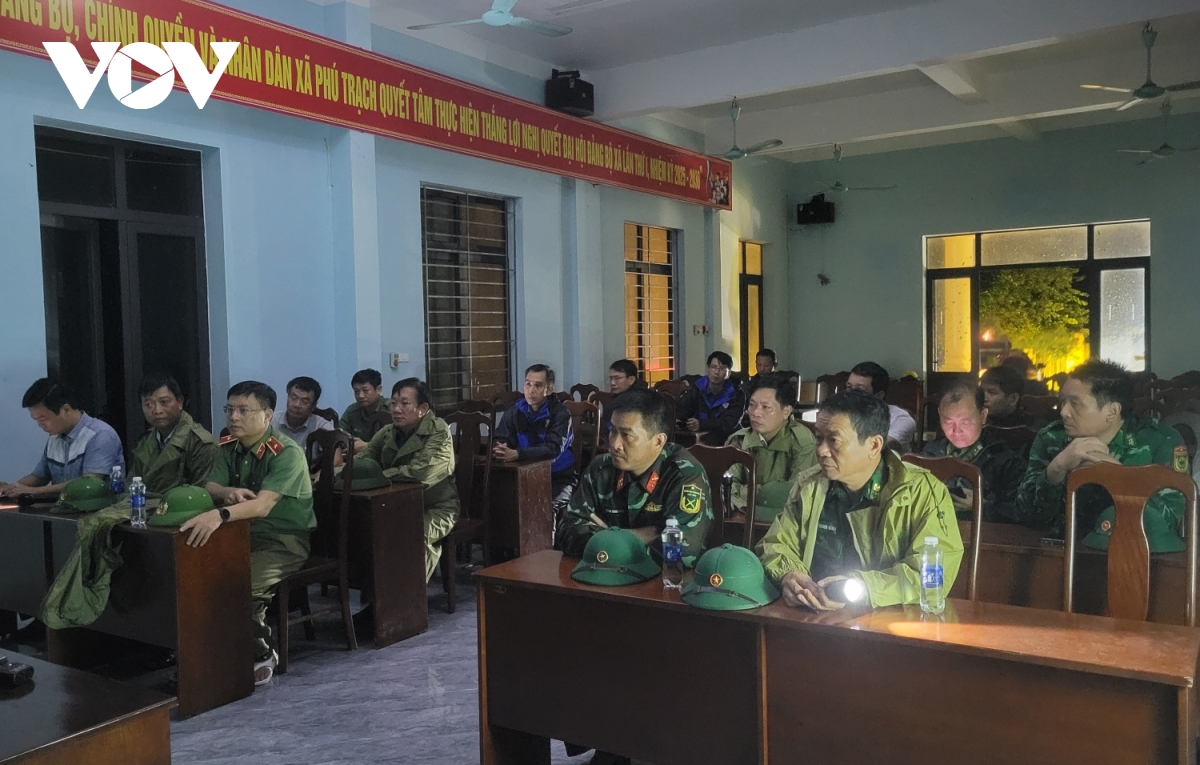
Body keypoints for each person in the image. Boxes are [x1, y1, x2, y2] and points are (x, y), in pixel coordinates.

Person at [757, 390, 961, 610]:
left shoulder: (921, 492)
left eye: (834, 440)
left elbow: (930, 575)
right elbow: (776, 544)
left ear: (874, 445)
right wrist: (790, 576)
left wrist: (861, 588)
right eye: (818, 438)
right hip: (813, 613)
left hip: (886, 617)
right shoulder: (810, 485)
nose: (822, 451)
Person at [180, 381, 315, 686]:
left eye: (243, 410)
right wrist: (227, 492)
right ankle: (205, 652)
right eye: (230, 409)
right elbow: (210, 485)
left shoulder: (286, 453)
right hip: (238, 535)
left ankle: (261, 652)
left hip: (283, 540)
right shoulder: (230, 445)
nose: (234, 417)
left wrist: (220, 514)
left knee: (242, 585)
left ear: (267, 415)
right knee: (191, 573)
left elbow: (264, 506)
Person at [1015, 360, 1188, 550]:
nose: (1063, 412)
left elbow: (1168, 521)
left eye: (1075, 404)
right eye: (1062, 401)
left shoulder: (1161, 440)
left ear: (1112, 411)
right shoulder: (1051, 438)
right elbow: (1026, 517)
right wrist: (1056, 469)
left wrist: (1118, 475)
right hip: (1066, 550)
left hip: (1133, 552)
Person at [557, 389, 713, 566]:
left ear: (658, 441)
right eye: (612, 431)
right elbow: (566, 533)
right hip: (600, 574)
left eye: (627, 435)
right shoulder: (601, 468)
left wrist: (603, 543)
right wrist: (640, 535)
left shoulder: (684, 475)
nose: (615, 444)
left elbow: (682, 553)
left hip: (658, 581)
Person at [365, 378, 459, 582]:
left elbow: (421, 473)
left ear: (423, 408)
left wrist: (378, 476)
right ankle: (379, 591)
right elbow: (364, 460)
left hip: (435, 507)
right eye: (393, 403)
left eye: (404, 403)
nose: (396, 409)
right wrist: (336, 473)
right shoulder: (388, 432)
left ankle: (409, 595)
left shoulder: (439, 430)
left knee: (413, 532)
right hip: (395, 505)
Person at [920, 380, 1024, 523]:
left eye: (965, 422)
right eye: (948, 421)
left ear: (983, 415)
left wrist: (983, 506)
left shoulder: (1005, 460)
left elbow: (1020, 513)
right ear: (939, 414)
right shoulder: (929, 455)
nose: (956, 431)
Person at [0, 379, 123, 498]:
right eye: (36, 420)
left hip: (99, 509)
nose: (40, 425)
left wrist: (33, 491)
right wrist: (11, 488)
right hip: (63, 507)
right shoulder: (55, 437)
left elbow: (89, 483)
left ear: (66, 410)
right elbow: (39, 477)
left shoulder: (100, 435)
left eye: (43, 419)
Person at [724, 374, 816, 521]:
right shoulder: (739, 440)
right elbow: (726, 487)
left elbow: (796, 494)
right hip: (743, 518)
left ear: (786, 412)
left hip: (785, 521)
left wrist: (747, 498)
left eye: (766, 407)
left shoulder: (802, 442)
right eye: (752, 405)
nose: (755, 413)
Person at [494, 364, 577, 515]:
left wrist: (518, 454)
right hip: (524, 476)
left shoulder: (560, 413)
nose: (531, 390)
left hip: (558, 477)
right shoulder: (514, 412)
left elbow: (553, 449)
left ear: (549, 389)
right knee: (503, 505)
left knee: (546, 511)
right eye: (528, 384)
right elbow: (500, 439)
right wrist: (500, 450)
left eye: (538, 385)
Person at [128, 373, 217, 495]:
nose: (157, 410)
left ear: (179, 402)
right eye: (148, 404)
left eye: (164, 402)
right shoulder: (146, 440)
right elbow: (131, 486)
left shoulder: (201, 443)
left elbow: (201, 496)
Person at [675, 351, 746, 444]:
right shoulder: (698, 388)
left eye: (722, 368)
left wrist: (702, 424)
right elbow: (683, 408)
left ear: (728, 373)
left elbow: (729, 423)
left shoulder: (737, 394)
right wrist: (679, 420)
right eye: (713, 367)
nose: (716, 372)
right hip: (702, 438)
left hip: (730, 439)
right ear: (708, 369)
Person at [846, 361, 917, 453]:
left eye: (859, 390)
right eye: (849, 387)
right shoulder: (839, 414)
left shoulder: (900, 419)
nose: (851, 394)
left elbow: (881, 448)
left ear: (879, 395)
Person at [271, 376, 335, 461]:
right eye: (293, 398)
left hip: (309, 469)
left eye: (305, 402)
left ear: (314, 406)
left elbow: (337, 460)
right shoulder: (270, 421)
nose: (297, 405)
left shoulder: (322, 427)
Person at [980, 365, 1046, 430]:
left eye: (992, 392)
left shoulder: (1035, 427)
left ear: (1013, 399)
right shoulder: (978, 423)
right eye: (981, 392)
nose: (984, 398)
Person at [339, 369, 387, 454]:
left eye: (365, 390)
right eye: (356, 391)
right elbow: (340, 434)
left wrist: (368, 446)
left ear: (378, 389)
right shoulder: (352, 411)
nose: (360, 396)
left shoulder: (391, 410)